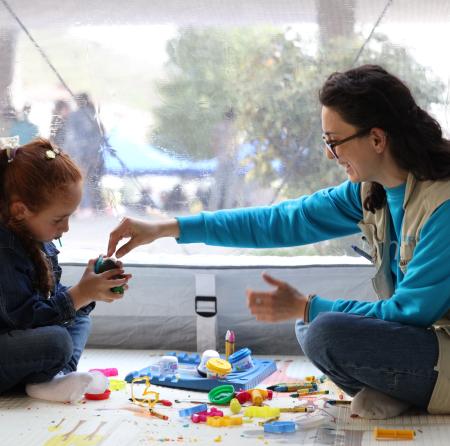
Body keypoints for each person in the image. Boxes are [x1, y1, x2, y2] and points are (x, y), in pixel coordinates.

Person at [106, 65, 450, 419]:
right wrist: (168, 227)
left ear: (377, 140)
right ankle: (400, 391)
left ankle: (402, 390)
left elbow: (409, 313)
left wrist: (307, 306)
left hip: (437, 345)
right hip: (426, 343)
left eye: (333, 141)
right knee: (312, 325)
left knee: (324, 329)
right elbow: (281, 221)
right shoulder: (369, 190)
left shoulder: (443, 204)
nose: (329, 154)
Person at [0, 138, 131, 402]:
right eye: (59, 219)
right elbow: (22, 319)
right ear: (20, 210)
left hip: (21, 337)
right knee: (57, 341)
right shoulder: (5, 249)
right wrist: (79, 295)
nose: (66, 228)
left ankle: (54, 378)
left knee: (80, 318)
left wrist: (90, 292)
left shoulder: (38, 241)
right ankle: (46, 379)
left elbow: (48, 300)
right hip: (7, 340)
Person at [64, 93, 105, 214]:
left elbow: (70, 137)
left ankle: (85, 207)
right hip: (95, 155)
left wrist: (67, 154)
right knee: (94, 181)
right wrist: (96, 155)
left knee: (81, 180)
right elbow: (100, 137)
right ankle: (96, 206)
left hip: (79, 155)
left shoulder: (74, 116)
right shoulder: (94, 115)